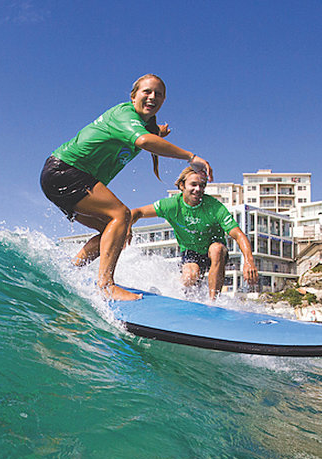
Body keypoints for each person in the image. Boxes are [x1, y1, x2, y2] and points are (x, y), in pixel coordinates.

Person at [40, 74, 213, 301]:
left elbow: (150, 134)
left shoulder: (144, 124)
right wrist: (191, 157)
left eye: (159, 94)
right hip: (66, 170)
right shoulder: (124, 114)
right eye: (147, 92)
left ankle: (70, 271)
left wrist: (159, 132)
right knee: (121, 215)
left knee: (114, 232)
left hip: (64, 177)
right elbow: (144, 141)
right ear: (133, 96)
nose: (152, 97)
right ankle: (106, 286)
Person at [129, 166, 258, 300]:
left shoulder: (214, 206)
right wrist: (127, 228)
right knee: (190, 276)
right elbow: (136, 212)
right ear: (182, 185)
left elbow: (239, 235)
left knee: (217, 249)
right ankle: (186, 300)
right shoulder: (172, 205)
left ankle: (213, 302)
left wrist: (249, 261)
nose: (198, 189)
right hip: (191, 252)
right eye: (193, 184)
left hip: (214, 252)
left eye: (202, 185)